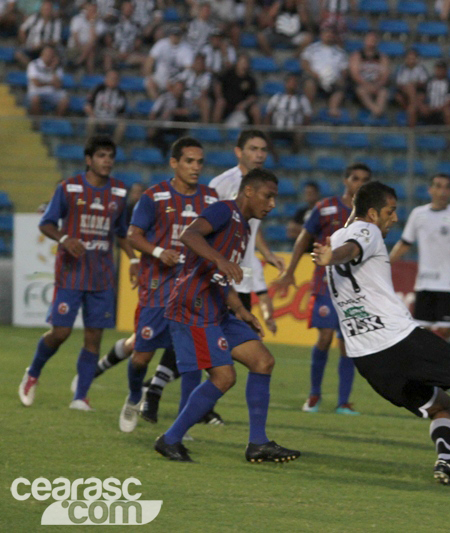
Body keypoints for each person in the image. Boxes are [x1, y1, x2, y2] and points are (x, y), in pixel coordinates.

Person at [312, 181, 450, 486]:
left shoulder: (334, 238)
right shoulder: (365, 231)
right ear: (372, 212)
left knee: (441, 406)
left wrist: (331, 257)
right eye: (390, 211)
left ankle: (447, 463)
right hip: (399, 341)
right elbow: (352, 250)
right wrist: (335, 256)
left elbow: (346, 252)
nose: (394, 218)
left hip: (367, 360)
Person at [155, 168, 300, 464]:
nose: (272, 204)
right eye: (267, 196)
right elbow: (189, 235)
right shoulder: (224, 210)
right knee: (224, 376)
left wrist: (241, 310)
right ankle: (169, 439)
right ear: (248, 191)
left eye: (275, 198)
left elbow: (221, 277)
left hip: (217, 307)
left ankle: (258, 443)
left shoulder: (245, 228)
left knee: (263, 361)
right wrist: (219, 259)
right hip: (192, 307)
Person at [19, 135, 139, 411]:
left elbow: (122, 234)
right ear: (89, 160)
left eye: (110, 156)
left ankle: (80, 397)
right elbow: (46, 223)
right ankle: (33, 372)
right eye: (101, 155)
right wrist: (64, 239)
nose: (107, 160)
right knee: (60, 333)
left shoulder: (119, 193)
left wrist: (133, 261)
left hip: (102, 277)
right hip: (71, 274)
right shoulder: (69, 188)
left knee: (93, 337)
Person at [118, 138, 221, 433]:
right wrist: (159, 252)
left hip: (194, 291)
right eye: (189, 161)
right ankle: (135, 394)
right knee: (141, 357)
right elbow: (133, 235)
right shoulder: (154, 197)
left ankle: (181, 426)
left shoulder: (211, 198)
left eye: (200, 162)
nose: (195, 167)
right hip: (157, 287)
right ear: (174, 163)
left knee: (192, 361)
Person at [271, 163, 371, 414]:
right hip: (326, 284)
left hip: (353, 289)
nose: (360, 183)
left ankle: (343, 402)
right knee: (325, 338)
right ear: (346, 181)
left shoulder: (369, 215)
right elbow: (304, 238)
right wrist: (290, 271)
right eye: (356, 178)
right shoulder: (326, 208)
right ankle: (314, 395)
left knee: (349, 344)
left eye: (365, 180)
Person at [390, 174, 450, 355]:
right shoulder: (418, 214)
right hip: (425, 281)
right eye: (438, 186)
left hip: (448, 281)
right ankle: (429, 374)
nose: (442, 191)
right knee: (422, 330)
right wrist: (386, 263)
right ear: (430, 190)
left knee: (444, 330)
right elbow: (405, 243)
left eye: (446, 187)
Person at [209, 129, 286, 318]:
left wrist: (267, 254)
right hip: (219, 273)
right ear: (238, 152)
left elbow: (251, 227)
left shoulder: (264, 186)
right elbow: (206, 226)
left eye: (263, 150)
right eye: (253, 149)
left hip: (242, 274)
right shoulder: (221, 184)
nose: (259, 154)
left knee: (238, 336)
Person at [263, 73, 313, 161]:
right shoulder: (277, 98)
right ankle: (273, 154)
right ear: (286, 84)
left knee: (300, 135)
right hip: (277, 128)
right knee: (264, 132)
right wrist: (268, 126)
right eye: (290, 82)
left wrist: (301, 127)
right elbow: (269, 113)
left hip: (293, 129)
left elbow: (307, 116)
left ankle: (293, 157)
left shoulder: (302, 99)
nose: (292, 84)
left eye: (294, 82)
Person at [301, 27, 348, 118]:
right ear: (321, 35)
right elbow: (304, 63)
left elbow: (344, 69)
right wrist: (314, 74)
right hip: (315, 77)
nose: (329, 35)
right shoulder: (312, 48)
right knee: (309, 83)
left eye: (331, 33)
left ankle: (333, 108)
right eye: (327, 33)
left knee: (342, 86)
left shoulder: (340, 52)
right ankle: (308, 108)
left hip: (333, 79)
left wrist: (340, 78)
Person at [349, 31, 391, 118]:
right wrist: (367, 85)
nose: (372, 42)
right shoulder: (357, 56)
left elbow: (385, 75)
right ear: (365, 41)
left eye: (374, 40)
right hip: (362, 85)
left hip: (377, 85)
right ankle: (377, 110)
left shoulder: (382, 57)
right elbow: (355, 74)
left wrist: (377, 85)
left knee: (383, 92)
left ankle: (376, 112)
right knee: (361, 91)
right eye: (370, 39)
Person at [85, 69, 127, 145]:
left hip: (112, 119)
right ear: (106, 78)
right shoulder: (97, 89)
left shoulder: (121, 94)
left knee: (122, 124)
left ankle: (114, 146)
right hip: (97, 117)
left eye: (115, 79)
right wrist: (95, 117)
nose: (113, 80)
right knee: (90, 121)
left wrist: (116, 119)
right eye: (111, 78)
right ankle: (91, 143)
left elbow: (122, 113)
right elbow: (87, 106)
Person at [410, 60, 450, 127]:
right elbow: (420, 96)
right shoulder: (428, 82)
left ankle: (449, 135)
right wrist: (422, 106)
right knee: (412, 109)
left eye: (441, 69)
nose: (439, 71)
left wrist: (436, 109)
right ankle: (411, 135)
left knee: (448, 111)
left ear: (446, 70)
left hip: (441, 111)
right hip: (428, 109)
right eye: (438, 68)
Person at [26, 44, 68, 116]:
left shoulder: (57, 67)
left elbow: (58, 85)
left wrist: (53, 68)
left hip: (52, 92)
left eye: (51, 54)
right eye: (47, 54)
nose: (49, 56)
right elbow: (36, 83)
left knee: (65, 100)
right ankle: (37, 122)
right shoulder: (33, 64)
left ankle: (57, 122)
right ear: (42, 54)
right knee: (35, 99)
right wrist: (51, 83)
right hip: (36, 92)